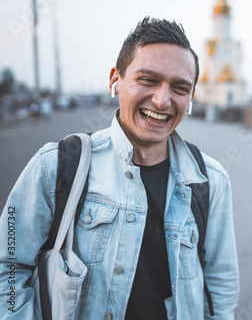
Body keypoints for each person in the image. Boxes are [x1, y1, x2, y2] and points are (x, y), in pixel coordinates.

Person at [0, 17, 239, 319]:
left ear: (191, 97)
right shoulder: (57, 166)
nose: (162, 100)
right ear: (115, 79)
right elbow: (8, 266)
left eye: (179, 87)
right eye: (148, 80)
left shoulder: (209, 180)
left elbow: (221, 285)